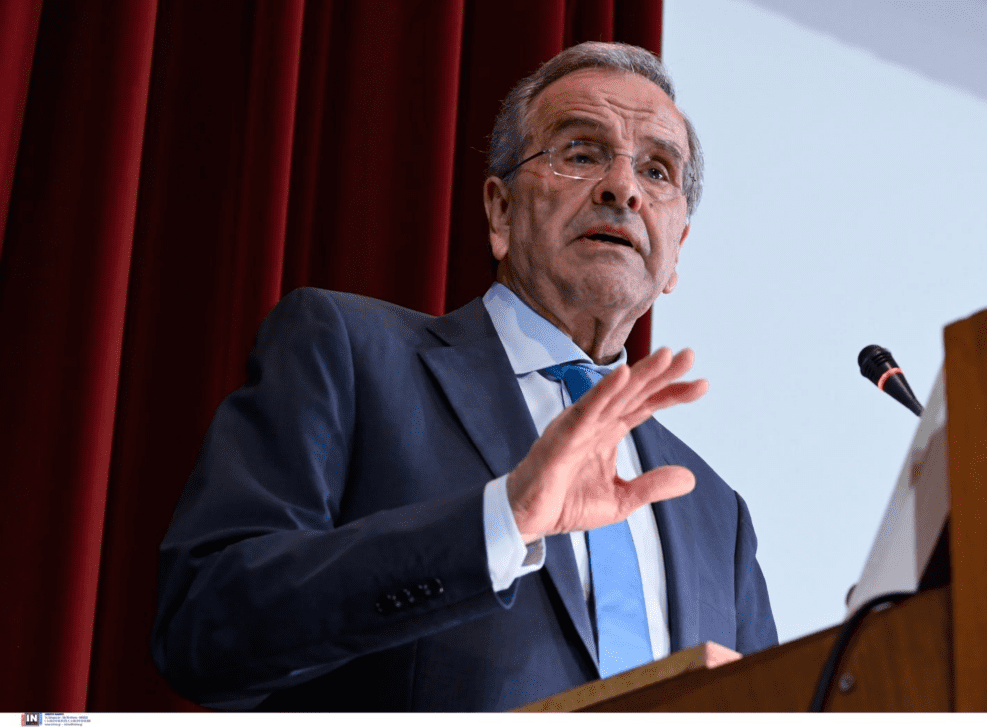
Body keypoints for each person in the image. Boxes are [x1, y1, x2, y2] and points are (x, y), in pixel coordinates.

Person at [152, 41, 777, 712]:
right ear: (500, 212)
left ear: (676, 252)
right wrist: (499, 521)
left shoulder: (717, 515)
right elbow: (207, 624)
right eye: (580, 153)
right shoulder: (349, 353)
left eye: (657, 170)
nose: (622, 188)